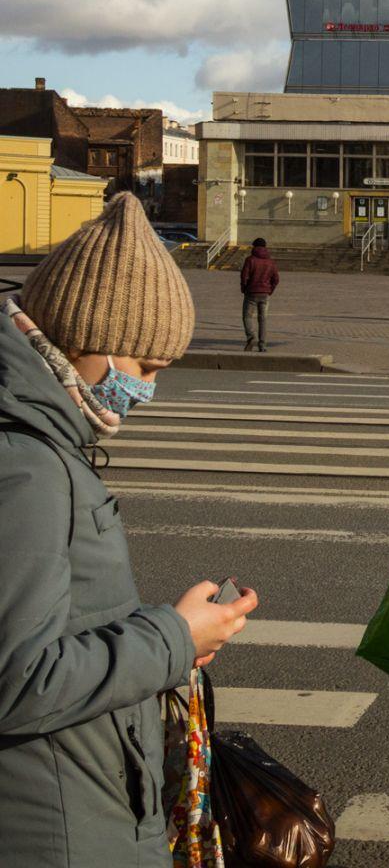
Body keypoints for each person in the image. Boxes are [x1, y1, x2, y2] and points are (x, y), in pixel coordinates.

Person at [0, 193, 258, 867]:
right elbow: (16, 680)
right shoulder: (29, 466)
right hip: (56, 828)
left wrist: (168, 633)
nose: (146, 389)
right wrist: (172, 638)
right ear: (91, 339)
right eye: (145, 368)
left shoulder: (37, 442)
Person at [240, 236, 278, 352]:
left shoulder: (250, 260)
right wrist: (270, 290)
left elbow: (244, 276)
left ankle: (251, 337)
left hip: (251, 293)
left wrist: (244, 288)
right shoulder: (271, 262)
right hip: (265, 294)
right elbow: (276, 279)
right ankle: (262, 345)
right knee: (263, 320)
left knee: (247, 316)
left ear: (254, 247)